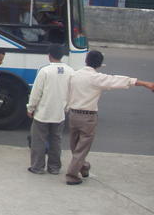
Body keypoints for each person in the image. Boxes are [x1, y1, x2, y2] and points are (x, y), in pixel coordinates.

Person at [65, 50, 154, 185]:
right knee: (82, 148)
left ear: (86, 61)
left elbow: (66, 94)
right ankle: (72, 175)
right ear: (99, 65)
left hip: (73, 115)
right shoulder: (96, 78)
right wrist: (144, 83)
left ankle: (83, 167)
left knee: (75, 146)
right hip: (88, 117)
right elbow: (118, 80)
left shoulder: (74, 75)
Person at [26, 44, 74, 175]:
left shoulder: (45, 71)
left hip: (43, 113)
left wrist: (31, 108)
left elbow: (36, 93)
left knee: (39, 140)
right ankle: (54, 167)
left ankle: (37, 167)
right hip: (59, 114)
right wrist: (67, 107)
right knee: (56, 140)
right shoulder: (70, 71)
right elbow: (72, 92)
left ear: (49, 56)